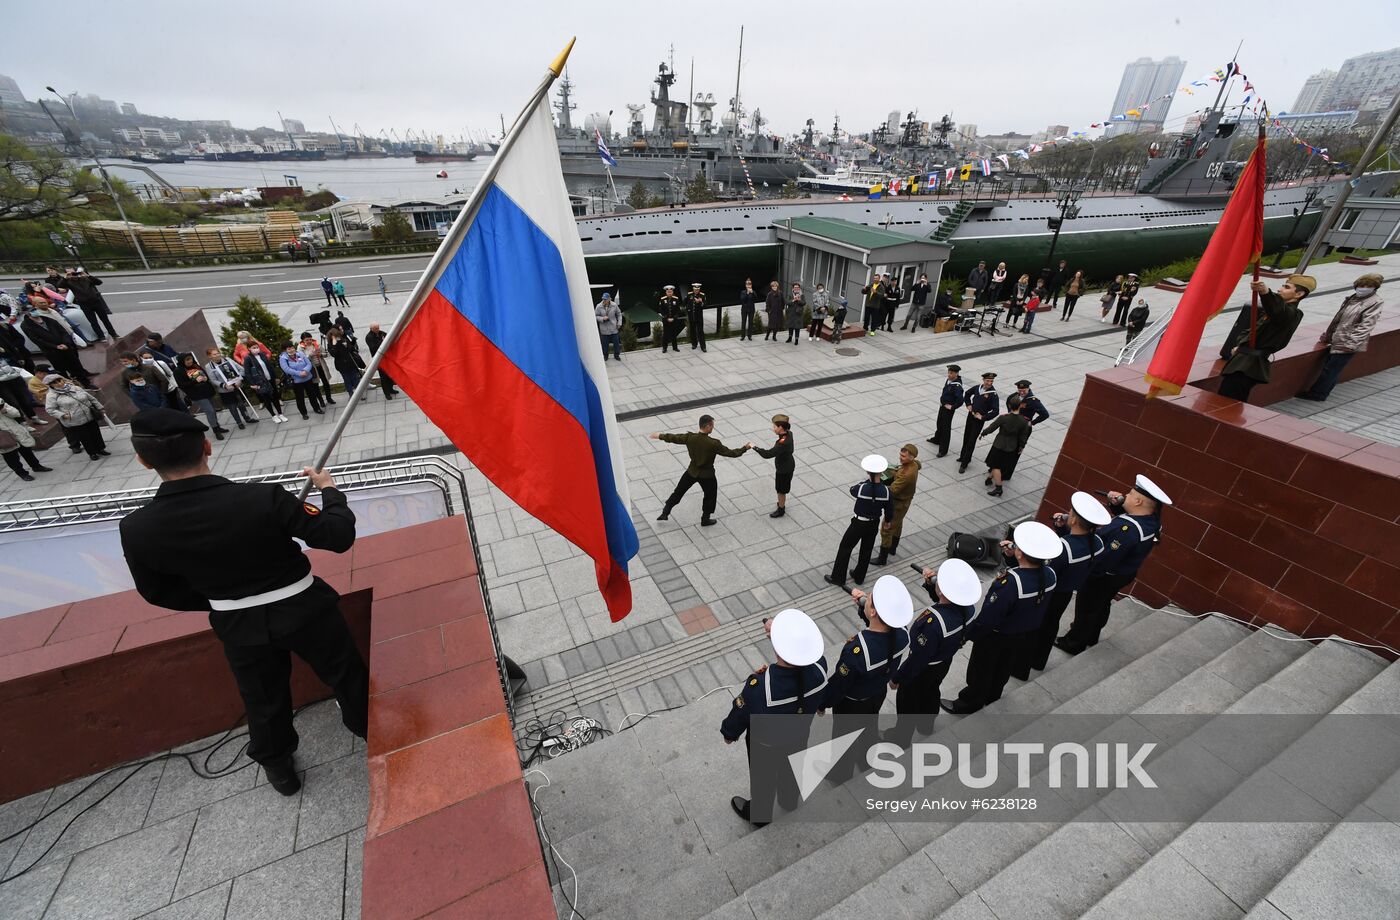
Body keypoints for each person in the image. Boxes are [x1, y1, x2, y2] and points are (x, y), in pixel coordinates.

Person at [118, 408, 370, 796]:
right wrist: (330, 491)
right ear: (207, 446)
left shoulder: (137, 527)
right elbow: (336, 536)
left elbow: (157, 592)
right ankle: (372, 729)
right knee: (346, 676)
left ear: (143, 460)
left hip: (237, 624)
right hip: (305, 609)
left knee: (263, 697)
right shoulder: (262, 498)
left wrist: (222, 598)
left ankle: (279, 768)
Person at [720, 609, 827, 825]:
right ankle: (789, 801)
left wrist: (729, 733)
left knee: (763, 779)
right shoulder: (820, 668)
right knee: (793, 768)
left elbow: (741, 713)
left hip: (766, 745)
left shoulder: (759, 686)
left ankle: (760, 815)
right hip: (798, 735)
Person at [941, 521, 1061, 714]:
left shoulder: (1010, 583)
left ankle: (968, 703)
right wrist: (1015, 559)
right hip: (1023, 632)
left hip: (996, 635)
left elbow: (989, 617)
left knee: (980, 670)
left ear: (1021, 553)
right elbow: (1031, 575)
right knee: (1004, 666)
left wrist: (968, 634)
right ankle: (993, 695)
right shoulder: (1050, 574)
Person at [1057, 475, 1171, 655]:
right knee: (1102, 604)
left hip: (1105, 576)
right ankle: (1092, 635)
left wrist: (1085, 575)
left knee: (1087, 607)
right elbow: (1131, 517)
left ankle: (1074, 642)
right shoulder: (1152, 521)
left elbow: (1105, 559)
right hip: (1124, 573)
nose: (1126, 495)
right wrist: (1116, 504)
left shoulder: (1126, 531)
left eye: (1130, 494)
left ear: (1139, 501)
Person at [824, 576, 913, 782]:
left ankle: (840, 773)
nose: (866, 598)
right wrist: (865, 608)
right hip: (877, 693)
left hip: (852, 703)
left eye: (869, 599)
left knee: (843, 738)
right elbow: (883, 632)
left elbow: (839, 683)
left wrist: (824, 703)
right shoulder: (903, 633)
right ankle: (866, 759)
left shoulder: (857, 650)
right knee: (869, 726)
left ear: (873, 611)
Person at [1014, 491, 1110, 679]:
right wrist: (1063, 529)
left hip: (1050, 593)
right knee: (1051, 625)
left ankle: (1020, 668)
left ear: (1073, 520)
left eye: (1070, 513)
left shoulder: (1063, 548)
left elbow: (1044, 570)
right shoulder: (1097, 541)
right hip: (1066, 592)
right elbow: (1080, 544)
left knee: (1032, 629)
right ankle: (1039, 660)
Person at [891, 559, 982, 740]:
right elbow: (948, 606)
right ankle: (926, 725)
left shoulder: (932, 623)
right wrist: (934, 587)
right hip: (943, 661)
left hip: (924, 667)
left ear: (942, 590)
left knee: (907, 702)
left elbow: (918, 658)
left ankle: (901, 737)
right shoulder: (969, 608)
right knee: (931, 692)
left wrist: (898, 677)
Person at [1218, 274, 1314, 403]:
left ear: (1298, 294)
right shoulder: (1274, 312)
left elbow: (1278, 310)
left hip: (1249, 366)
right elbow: (1252, 331)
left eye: (1286, 287)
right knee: (1227, 398)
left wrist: (1265, 292)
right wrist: (1241, 346)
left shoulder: (1292, 314)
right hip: (1243, 360)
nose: (1280, 289)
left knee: (1228, 402)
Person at [650, 415, 751, 526]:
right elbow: (731, 453)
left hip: (691, 472)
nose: (713, 428)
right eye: (712, 426)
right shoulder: (713, 443)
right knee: (710, 496)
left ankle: (665, 512)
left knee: (679, 491)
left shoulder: (690, 437)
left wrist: (660, 435)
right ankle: (705, 519)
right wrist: (744, 448)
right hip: (707, 475)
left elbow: (674, 438)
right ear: (707, 426)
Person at [1299, 273, 1383, 401]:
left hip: (1348, 343)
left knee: (1331, 370)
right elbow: (1338, 320)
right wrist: (1328, 336)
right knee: (1331, 368)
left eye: (1369, 285)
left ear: (1375, 287)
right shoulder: (1352, 298)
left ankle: (1318, 394)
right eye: (1361, 285)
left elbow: (1366, 325)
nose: (1363, 288)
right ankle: (1320, 392)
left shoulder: (1375, 302)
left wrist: (1351, 343)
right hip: (1339, 339)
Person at [824, 454, 894, 589]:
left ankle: (838, 577)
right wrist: (888, 521)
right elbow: (889, 509)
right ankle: (859, 576)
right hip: (873, 523)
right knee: (866, 550)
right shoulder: (886, 491)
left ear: (868, 471)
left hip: (858, 523)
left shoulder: (862, 488)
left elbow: (852, 490)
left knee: (845, 547)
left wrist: (866, 481)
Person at [21, 307, 92, 388]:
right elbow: (37, 340)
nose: (35, 312)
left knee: (76, 366)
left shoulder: (48, 319)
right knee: (61, 370)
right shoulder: (26, 325)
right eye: (32, 311)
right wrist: (55, 346)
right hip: (52, 351)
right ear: (27, 313)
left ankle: (86, 383)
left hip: (65, 348)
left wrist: (65, 343)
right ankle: (67, 387)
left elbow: (62, 331)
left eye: (35, 310)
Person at [874, 444, 920, 566]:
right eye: (900, 455)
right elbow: (918, 464)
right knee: (897, 524)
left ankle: (882, 558)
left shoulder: (907, 474)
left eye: (904, 456)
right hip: (904, 501)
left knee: (886, 529)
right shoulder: (914, 464)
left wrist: (878, 487)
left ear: (912, 457)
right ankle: (892, 548)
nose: (901, 458)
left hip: (898, 503)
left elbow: (893, 490)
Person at [44, 374, 108, 460]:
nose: (59, 384)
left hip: (89, 415)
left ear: (63, 380)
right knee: (85, 437)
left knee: (95, 433)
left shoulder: (75, 388)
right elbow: (50, 409)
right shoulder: (51, 395)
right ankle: (92, 453)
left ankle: (100, 449)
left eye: (59, 381)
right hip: (75, 420)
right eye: (55, 383)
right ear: (51, 385)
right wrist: (63, 415)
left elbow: (91, 398)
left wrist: (100, 408)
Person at [980, 394, 1032, 497]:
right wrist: (1021, 447)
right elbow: (1023, 437)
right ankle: (990, 478)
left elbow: (992, 428)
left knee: (995, 465)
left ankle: (999, 488)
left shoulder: (1004, 418)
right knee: (1000, 465)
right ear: (1020, 406)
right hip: (1012, 447)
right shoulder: (1023, 421)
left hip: (999, 445)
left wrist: (983, 433)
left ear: (1009, 405)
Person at [176, 353, 230, 440]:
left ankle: (217, 426)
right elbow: (181, 385)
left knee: (213, 410)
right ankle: (216, 430)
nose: (190, 361)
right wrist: (195, 381)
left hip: (207, 391)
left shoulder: (196, 365)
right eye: (187, 360)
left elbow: (205, 375)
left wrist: (206, 378)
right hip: (197, 395)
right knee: (210, 411)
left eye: (190, 359)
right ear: (182, 361)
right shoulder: (179, 371)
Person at [0, 396, 53, 481]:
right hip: (3, 437)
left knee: (27, 451)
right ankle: (22, 474)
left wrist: (5, 410)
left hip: (16, 432)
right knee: (11, 457)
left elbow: (16, 413)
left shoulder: (1, 402)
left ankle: (36, 466)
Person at [753, 414, 795, 518]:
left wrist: (755, 447)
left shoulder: (782, 443)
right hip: (788, 464)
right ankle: (781, 503)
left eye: (775, 426)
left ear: (781, 427)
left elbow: (768, 454)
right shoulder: (789, 433)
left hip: (784, 469)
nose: (773, 428)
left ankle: (781, 509)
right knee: (782, 488)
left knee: (781, 490)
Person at [205, 347, 258, 429]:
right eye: (214, 354)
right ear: (209, 356)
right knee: (232, 407)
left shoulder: (227, 360)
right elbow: (212, 380)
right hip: (225, 390)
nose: (217, 355)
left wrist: (239, 379)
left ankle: (247, 418)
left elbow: (241, 370)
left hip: (237, 386)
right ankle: (239, 422)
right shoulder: (209, 366)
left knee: (241, 404)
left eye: (218, 353)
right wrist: (224, 385)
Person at [957, 372, 999, 474]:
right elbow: (967, 394)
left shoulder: (993, 394)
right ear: (983, 380)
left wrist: (983, 417)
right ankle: (963, 456)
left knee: (971, 440)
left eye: (991, 381)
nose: (989, 383)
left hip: (978, 421)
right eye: (987, 380)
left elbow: (995, 411)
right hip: (970, 416)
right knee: (966, 436)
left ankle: (964, 464)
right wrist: (968, 404)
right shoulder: (977, 388)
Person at [58, 270, 118, 341]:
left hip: (96, 302)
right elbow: (60, 286)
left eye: (75, 273)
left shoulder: (85, 278)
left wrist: (88, 276)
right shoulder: (68, 282)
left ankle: (113, 334)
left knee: (105, 319)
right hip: (84, 304)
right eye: (72, 274)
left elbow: (99, 282)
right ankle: (101, 336)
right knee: (93, 322)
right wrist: (65, 277)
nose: (74, 275)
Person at [242, 342, 287, 423]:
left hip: (270, 379)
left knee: (275, 397)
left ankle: (280, 414)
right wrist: (253, 384)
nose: (256, 349)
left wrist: (275, 377)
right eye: (253, 347)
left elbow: (270, 366)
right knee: (266, 399)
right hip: (261, 382)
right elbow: (247, 373)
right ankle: (273, 415)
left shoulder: (262, 355)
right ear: (249, 348)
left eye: (257, 347)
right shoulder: (248, 358)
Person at [927, 365, 964, 458]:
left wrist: (952, 407)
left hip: (948, 410)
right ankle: (937, 439)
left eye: (951, 373)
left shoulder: (957, 386)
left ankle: (943, 450)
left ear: (956, 373)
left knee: (945, 429)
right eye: (948, 372)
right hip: (942, 406)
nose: (949, 374)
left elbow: (960, 400)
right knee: (939, 423)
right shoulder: (949, 380)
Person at [298, 333, 337, 406]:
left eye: (310, 339)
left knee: (326, 382)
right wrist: (310, 355)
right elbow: (301, 360)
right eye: (306, 340)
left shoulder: (316, 344)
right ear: (303, 340)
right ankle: (321, 401)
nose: (309, 341)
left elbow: (326, 353)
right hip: (312, 369)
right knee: (315, 385)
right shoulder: (301, 348)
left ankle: (329, 398)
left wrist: (321, 354)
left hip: (321, 366)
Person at [325, 329, 364, 401]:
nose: (337, 338)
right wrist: (335, 344)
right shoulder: (331, 345)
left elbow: (351, 349)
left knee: (355, 378)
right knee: (347, 379)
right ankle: (350, 393)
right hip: (341, 365)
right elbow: (334, 354)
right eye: (334, 337)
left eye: (337, 336)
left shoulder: (344, 340)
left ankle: (359, 393)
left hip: (350, 362)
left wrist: (348, 344)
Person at [364, 324, 399, 398]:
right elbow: (374, 348)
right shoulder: (369, 337)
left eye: (378, 328)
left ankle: (391, 389)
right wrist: (383, 341)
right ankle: (386, 393)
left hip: (387, 357)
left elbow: (389, 337)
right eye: (376, 328)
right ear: (371, 329)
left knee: (389, 375)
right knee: (383, 377)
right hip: (379, 359)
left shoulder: (381, 333)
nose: (378, 329)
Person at [595, 292, 623, 361]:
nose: (604, 300)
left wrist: (619, 323)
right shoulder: (599, 306)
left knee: (616, 343)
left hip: (613, 328)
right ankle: (605, 356)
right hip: (604, 329)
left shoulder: (614, 305)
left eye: (606, 299)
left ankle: (617, 355)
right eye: (603, 299)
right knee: (605, 345)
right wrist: (602, 318)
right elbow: (595, 316)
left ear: (609, 299)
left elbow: (619, 314)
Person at [659, 285, 685, 353]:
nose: (669, 293)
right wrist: (666, 318)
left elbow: (678, 310)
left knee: (674, 334)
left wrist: (674, 317)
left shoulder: (676, 299)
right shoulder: (662, 299)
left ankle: (675, 347)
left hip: (674, 320)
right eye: (668, 292)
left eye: (670, 292)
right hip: (666, 320)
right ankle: (664, 348)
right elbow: (661, 310)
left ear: (672, 292)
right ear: (666, 292)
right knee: (665, 334)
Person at [685, 283, 708, 352]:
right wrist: (687, 309)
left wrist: (701, 302)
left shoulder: (702, 295)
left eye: (697, 289)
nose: (696, 291)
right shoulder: (689, 295)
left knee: (700, 331)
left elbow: (705, 305)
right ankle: (694, 344)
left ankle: (703, 347)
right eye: (695, 289)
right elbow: (684, 303)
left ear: (699, 289)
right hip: (692, 316)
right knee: (692, 331)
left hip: (699, 317)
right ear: (693, 289)